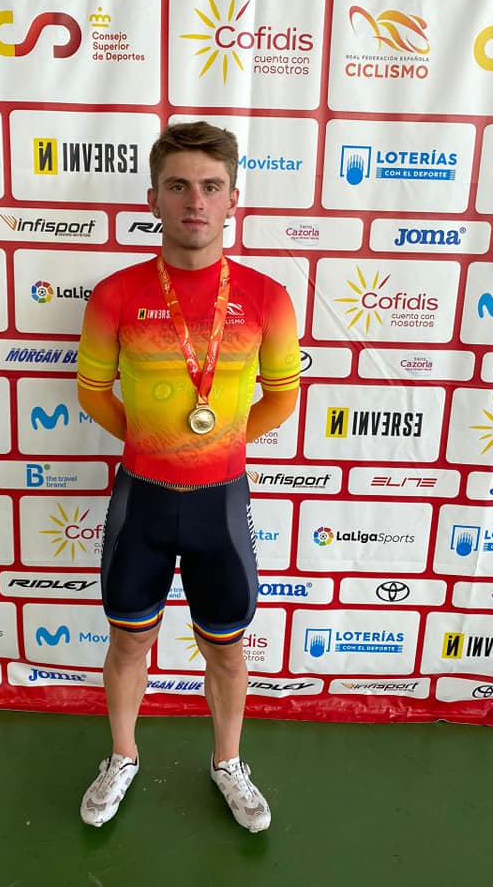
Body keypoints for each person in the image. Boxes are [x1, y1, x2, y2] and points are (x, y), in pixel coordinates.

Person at [76, 120, 300, 832]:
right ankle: (122, 755)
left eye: (210, 186)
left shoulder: (267, 297)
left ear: (233, 199)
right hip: (141, 501)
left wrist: (219, 442)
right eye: (178, 186)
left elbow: (283, 397)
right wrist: (154, 443)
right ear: (153, 198)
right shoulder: (116, 293)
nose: (194, 201)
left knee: (226, 649)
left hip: (220, 506)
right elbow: (91, 392)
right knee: (128, 642)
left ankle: (228, 762)